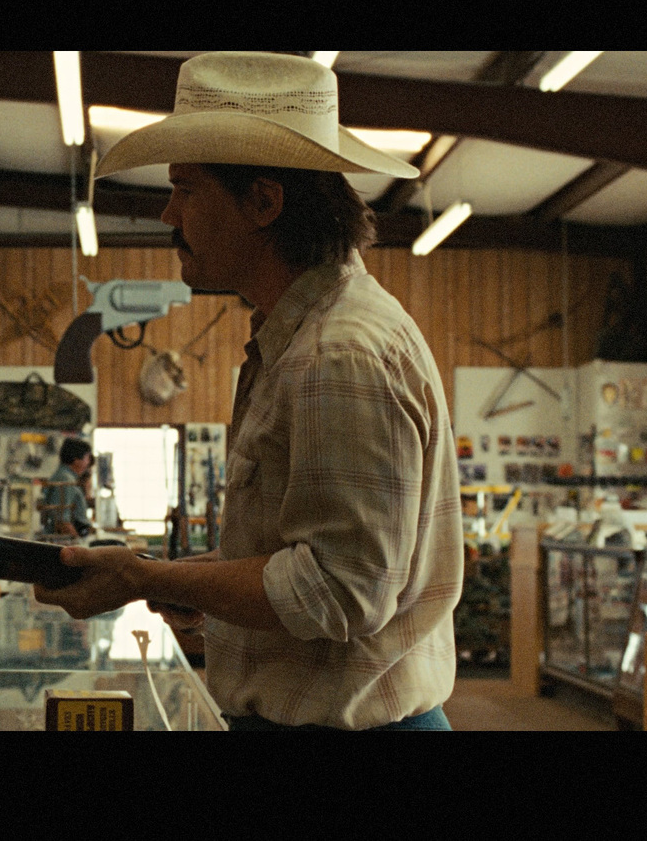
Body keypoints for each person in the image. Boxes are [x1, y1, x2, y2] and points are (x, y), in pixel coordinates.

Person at [33, 52, 464, 731]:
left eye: (186, 188)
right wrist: (182, 579)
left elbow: (340, 592)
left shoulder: (337, 356)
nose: (167, 213)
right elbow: (300, 557)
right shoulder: (297, 339)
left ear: (263, 201)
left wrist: (148, 579)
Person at [41, 438, 94, 539]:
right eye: (87, 458)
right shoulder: (66, 479)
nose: (88, 463)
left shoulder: (63, 476)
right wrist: (79, 544)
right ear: (76, 459)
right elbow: (62, 522)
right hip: (64, 541)